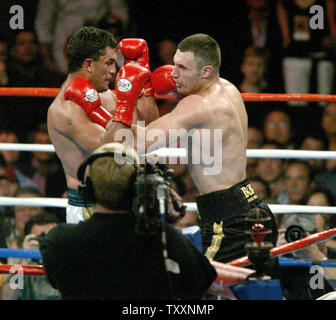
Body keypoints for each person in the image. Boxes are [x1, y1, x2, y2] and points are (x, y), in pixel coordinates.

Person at [113, 33, 279, 264]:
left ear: (206, 71)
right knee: (260, 290)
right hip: (250, 205)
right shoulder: (228, 88)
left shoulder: (196, 106)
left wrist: (124, 101)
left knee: (199, 288)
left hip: (228, 221)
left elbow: (136, 144)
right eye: (174, 64)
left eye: (182, 67)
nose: (173, 73)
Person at [39, 143, 217, 300]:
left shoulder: (60, 240)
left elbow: (56, 282)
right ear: (135, 190)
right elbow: (201, 282)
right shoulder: (161, 238)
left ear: (89, 189)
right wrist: (170, 226)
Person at [47, 26, 159, 224]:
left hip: (127, 199)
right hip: (89, 208)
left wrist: (144, 87)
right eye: (108, 63)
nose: (114, 70)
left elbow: (147, 123)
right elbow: (111, 150)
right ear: (89, 64)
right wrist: (125, 104)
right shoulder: (65, 110)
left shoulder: (106, 94)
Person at [0, 212, 61, 300]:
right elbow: (7, 297)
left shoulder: (67, 260)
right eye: (40, 237)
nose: (45, 242)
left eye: (50, 237)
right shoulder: (20, 261)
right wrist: (25, 261)